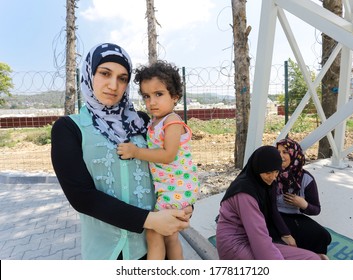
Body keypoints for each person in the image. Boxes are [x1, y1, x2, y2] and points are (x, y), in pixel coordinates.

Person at [51, 43, 192, 260]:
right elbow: (81, 197)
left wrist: (185, 204)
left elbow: (173, 162)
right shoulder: (69, 129)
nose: (113, 85)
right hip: (107, 253)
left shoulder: (142, 122)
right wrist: (151, 220)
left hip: (152, 247)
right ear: (90, 74)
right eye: (105, 73)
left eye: (122, 78)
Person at [117, 61, 199, 260]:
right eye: (146, 96)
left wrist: (135, 152)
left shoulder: (172, 121)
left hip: (176, 188)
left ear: (175, 97)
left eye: (159, 94)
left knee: (154, 232)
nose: (151, 102)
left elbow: (168, 155)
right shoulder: (154, 121)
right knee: (170, 236)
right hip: (171, 187)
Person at [216, 145, 321, 260]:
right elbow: (258, 235)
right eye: (268, 173)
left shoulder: (268, 183)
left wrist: (285, 234)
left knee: (312, 258)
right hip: (234, 245)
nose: (272, 177)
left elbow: (272, 210)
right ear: (257, 169)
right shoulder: (244, 193)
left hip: (254, 239)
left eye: (276, 171)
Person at [276, 138, 331, 258]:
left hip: (294, 217)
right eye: (278, 152)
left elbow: (316, 209)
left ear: (294, 155)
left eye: (285, 152)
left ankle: (316, 258)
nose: (280, 156)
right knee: (283, 240)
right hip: (272, 216)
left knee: (322, 236)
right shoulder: (272, 173)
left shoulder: (306, 179)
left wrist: (303, 204)